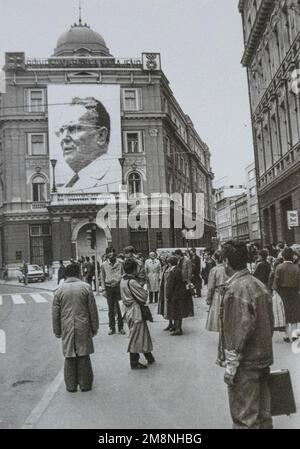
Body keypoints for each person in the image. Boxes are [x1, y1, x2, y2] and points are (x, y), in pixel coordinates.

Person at [218, 240, 274, 429]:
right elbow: (270, 324)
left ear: (226, 262)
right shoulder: (258, 285)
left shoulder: (235, 290)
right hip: (263, 359)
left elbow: (237, 330)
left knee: (245, 419)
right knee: (264, 417)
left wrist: (231, 367)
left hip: (246, 364)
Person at [52, 263, 99, 393]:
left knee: (69, 355)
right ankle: (85, 384)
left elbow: (56, 313)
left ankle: (71, 385)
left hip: (66, 326)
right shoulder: (86, 287)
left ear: (66, 274)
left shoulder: (59, 291)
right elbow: (92, 310)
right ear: (78, 273)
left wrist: (57, 330)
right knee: (84, 354)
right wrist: (94, 327)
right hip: (83, 325)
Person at [55, 96, 113, 191]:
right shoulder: (67, 185)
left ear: (101, 136)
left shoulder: (112, 178)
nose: (64, 138)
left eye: (73, 129)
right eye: (61, 131)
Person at [120, 258, 154, 369]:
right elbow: (143, 296)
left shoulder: (123, 280)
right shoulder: (132, 282)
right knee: (137, 335)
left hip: (128, 309)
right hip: (136, 311)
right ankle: (134, 361)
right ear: (134, 269)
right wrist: (143, 288)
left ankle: (149, 356)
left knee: (139, 334)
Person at [272, 247, 300, 342]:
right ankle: (295, 334)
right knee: (295, 313)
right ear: (292, 256)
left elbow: (276, 282)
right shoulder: (297, 268)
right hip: (295, 292)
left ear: (283, 256)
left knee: (285, 313)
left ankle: (286, 335)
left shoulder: (279, 267)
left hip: (283, 293)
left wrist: (275, 291)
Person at [100, 247, 125, 335]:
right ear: (106, 254)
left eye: (112, 252)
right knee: (110, 309)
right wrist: (103, 289)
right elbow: (102, 277)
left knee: (120, 308)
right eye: (109, 253)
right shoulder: (104, 265)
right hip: (109, 288)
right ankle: (112, 327)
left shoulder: (121, 263)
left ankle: (121, 327)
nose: (111, 254)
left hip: (118, 287)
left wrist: (123, 286)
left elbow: (123, 274)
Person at [166, 256, 191, 336]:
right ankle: (177, 327)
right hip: (179, 294)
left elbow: (170, 285)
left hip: (174, 295)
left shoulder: (172, 272)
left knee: (175, 312)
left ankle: (178, 329)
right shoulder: (178, 270)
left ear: (169, 263)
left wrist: (168, 295)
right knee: (178, 312)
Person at [205, 250, 227, 332]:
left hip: (217, 295)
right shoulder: (227, 268)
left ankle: (221, 341)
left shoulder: (214, 270)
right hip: (227, 293)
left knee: (218, 317)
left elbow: (210, 286)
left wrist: (208, 299)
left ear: (216, 259)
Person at [157, 254, 174, 331]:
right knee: (166, 308)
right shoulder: (164, 268)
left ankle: (173, 324)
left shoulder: (171, 268)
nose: (162, 262)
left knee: (170, 307)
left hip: (168, 290)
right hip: (163, 289)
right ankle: (170, 323)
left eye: (163, 260)